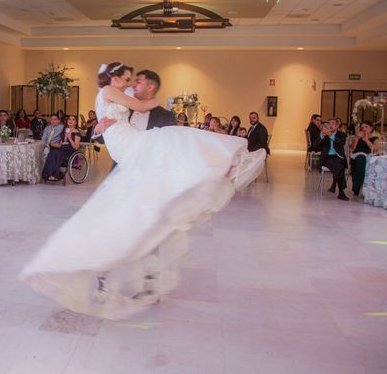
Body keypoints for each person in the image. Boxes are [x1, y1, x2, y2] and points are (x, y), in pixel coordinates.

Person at [20, 62, 266, 320]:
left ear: (150, 87)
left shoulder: (163, 116)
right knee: (108, 225)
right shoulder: (120, 99)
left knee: (149, 230)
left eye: (137, 82)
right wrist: (99, 128)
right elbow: (104, 131)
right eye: (129, 80)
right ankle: (104, 281)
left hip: (152, 181)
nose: (132, 84)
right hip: (125, 173)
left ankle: (150, 287)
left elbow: (174, 154)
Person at [313, 120, 348, 201]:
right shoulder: (323, 135)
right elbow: (314, 147)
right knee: (339, 165)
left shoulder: (342, 134)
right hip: (327, 158)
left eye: (333, 123)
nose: (330, 125)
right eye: (329, 124)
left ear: (337, 126)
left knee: (338, 163)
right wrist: (321, 136)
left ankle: (334, 185)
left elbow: (341, 143)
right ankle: (341, 192)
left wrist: (331, 135)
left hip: (338, 157)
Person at [42, 115, 81, 181]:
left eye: (73, 119)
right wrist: (51, 144)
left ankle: (57, 175)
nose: (71, 121)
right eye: (69, 119)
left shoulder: (77, 132)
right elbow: (61, 144)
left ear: (75, 122)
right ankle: (49, 174)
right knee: (52, 152)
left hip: (70, 149)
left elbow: (76, 147)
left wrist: (69, 138)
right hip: (62, 148)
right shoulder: (64, 130)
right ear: (67, 121)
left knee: (55, 153)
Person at [350, 121, 376, 197]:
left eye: (366, 127)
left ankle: (360, 187)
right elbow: (352, 149)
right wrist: (357, 138)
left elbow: (375, 150)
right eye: (362, 127)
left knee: (365, 160)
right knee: (360, 159)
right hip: (357, 157)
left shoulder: (375, 138)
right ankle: (358, 186)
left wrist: (366, 140)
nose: (364, 129)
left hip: (370, 158)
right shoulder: (357, 137)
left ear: (371, 128)